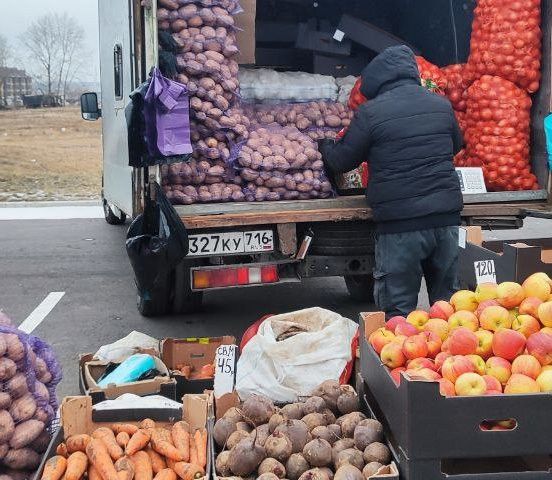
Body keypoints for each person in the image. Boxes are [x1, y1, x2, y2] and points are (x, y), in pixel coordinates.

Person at [319, 45, 464, 318]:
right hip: (445, 221)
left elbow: (341, 160)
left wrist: (324, 146)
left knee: (399, 313)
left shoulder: (372, 113)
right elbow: (457, 144)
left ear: (375, 81)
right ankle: (450, 357)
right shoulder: (441, 105)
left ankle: (403, 360)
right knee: (450, 309)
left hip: (401, 226)